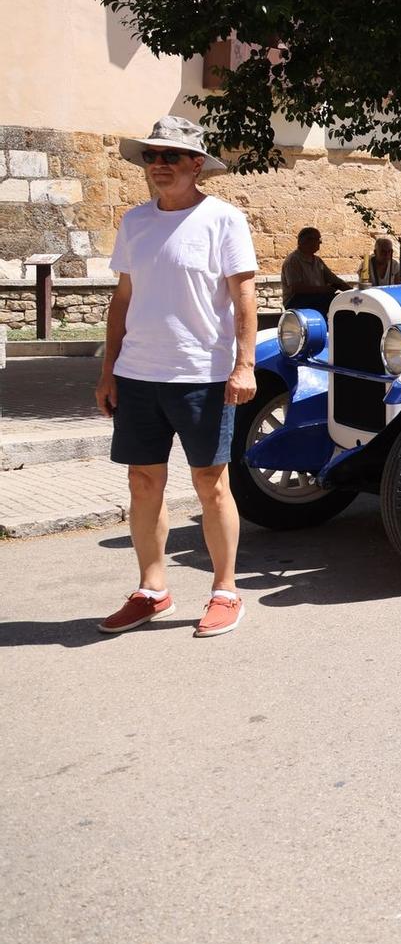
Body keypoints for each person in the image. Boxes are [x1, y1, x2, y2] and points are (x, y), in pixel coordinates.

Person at [94, 116, 258, 639]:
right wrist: (108, 371)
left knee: (211, 485)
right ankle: (152, 589)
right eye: (151, 156)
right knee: (143, 484)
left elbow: (244, 299)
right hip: (139, 374)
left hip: (202, 376)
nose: (158, 165)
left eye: (170, 156)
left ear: (196, 164)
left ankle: (225, 591)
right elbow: (122, 301)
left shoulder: (223, 220)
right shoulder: (135, 222)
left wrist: (245, 364)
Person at [279, 226, 349, 311]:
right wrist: (323, 290)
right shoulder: (293, 260)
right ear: (307, 241)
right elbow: (296, 288)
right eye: (318, 239)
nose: (320, 242)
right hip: (296, 301)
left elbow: (334, 280)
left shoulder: (317, 261)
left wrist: (351, 292)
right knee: (330, 302)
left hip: (316, 297)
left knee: (342, 301)